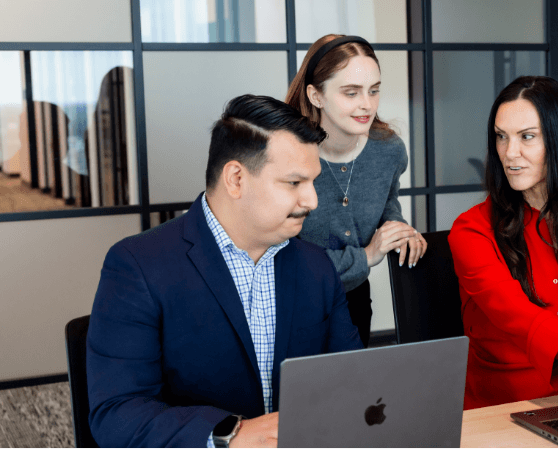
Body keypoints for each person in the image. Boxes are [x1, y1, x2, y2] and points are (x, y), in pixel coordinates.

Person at [86, 94, 362, 448]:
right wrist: (229, 434)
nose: (312, 200)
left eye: (313, 182)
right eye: (294, 183)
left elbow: (353, 379)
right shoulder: (137, 265)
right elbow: (117, 413)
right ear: (235, 179)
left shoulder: (315, 266)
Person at [448, 76, 558, 410]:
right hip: (501, 410)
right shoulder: (471, 231)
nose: (509, 153)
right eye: (501, 137)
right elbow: (522, 319)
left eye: (527, 137)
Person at [286, 34, 426, 347]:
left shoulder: (388, 150)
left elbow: (388, 200)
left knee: (355, 393)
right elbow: (280, 257)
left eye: (373, 91)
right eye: (351, 93)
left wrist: (397, 229)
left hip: (353, 301)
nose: (367, 104)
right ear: (316, 95)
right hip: (292, 302)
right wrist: (366, 256)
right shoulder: (287, 157)